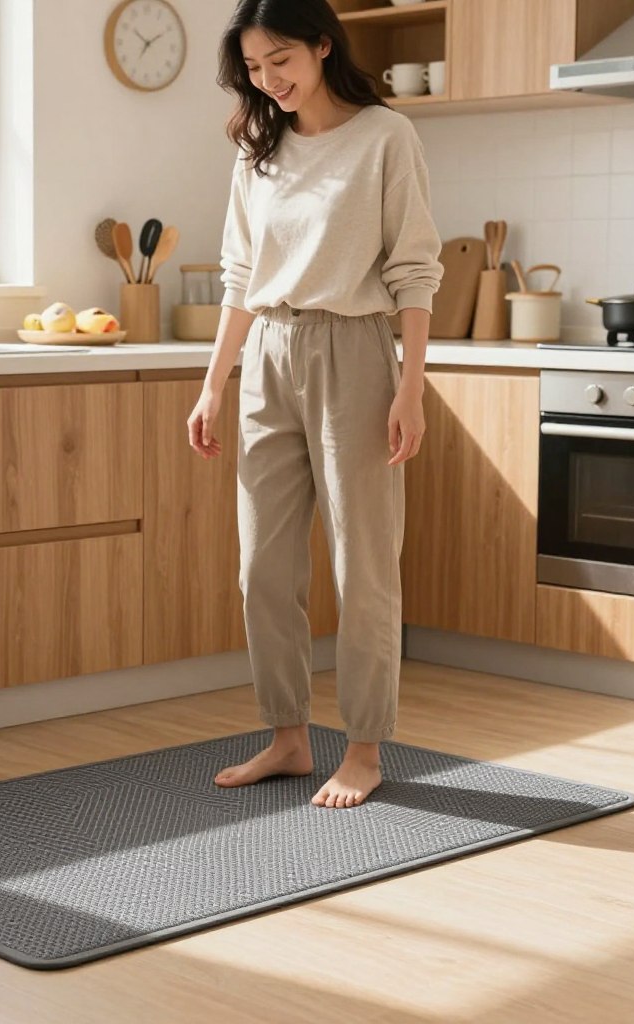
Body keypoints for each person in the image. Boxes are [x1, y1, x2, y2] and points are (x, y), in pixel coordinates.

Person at [187, 0, 443, 809]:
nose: (270, 81)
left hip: (356, 352)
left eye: (282, 62)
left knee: (362, 560)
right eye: (256, 69)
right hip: (267, 351)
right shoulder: (257, 150)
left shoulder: (384, 137)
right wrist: (213, 382)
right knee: (262, 560)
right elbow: (237, 275)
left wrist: (410, 385)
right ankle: (289, 737)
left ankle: (363, 747)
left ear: (324, 45)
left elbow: (415, 268)